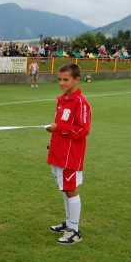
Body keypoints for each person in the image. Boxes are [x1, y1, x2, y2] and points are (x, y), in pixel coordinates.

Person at [46, 63, 92, 245]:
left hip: (70, 155)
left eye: (66, 80)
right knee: (65, 187)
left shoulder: (81, 103)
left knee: (70, 188)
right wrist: (55, 131)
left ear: (76, 80)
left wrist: (60, 128)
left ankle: (75, 230)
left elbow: (83, 129)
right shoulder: (62, 100)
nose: (62, 83)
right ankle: (69, 222)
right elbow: (62, 127)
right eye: (59, 79)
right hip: (58, 152)